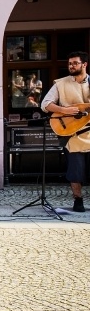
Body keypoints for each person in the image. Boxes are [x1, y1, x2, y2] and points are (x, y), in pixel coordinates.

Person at [42, 51, 90, 212]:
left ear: (84, 64)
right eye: (70, 63)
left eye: (75, 63)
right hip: (72, 134)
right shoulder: (60, 84)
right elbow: (45, 104)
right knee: (75, 171)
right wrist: (64, 110)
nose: (71, 66)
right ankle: (78, 200)